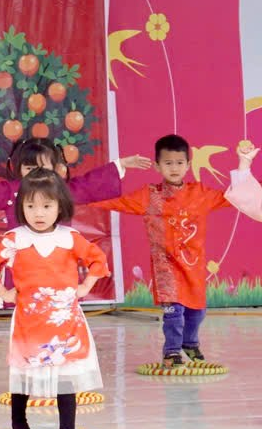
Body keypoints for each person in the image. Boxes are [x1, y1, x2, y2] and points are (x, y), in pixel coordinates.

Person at [92, 134, 252, 365]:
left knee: (197, 312)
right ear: (157, 166)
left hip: (193, 267)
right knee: (173, 313)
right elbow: (113, 201)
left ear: (188, 165)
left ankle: (190, 343)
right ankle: (172, 351)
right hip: (165, 268)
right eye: (168, 163)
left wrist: (244, 163)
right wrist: (71, 198)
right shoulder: (149, 195)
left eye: (179, 163)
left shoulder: (200, 194)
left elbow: (235, 196)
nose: (174, 168)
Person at [0, 168, 110, 429]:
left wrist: (86, 286)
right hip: (29, 322)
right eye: (31, 206)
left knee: (65, 376)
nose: (39, 213)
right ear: (21, 207)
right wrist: (3, 292)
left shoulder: (70, 238)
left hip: (65, 322)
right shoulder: (15, 239)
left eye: (47, 206)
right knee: (23, 372)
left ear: (60, 206)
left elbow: (98, 259)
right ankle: (20, 426)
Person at [0, 138, 152, 229]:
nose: (36, 173)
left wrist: (120, 165)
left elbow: (90, 183)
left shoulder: (63, 190)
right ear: (19, 169)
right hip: (23, 252)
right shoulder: (11, 191)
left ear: (56, 168)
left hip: (57, 252)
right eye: (29, 168)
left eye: (43, 167)